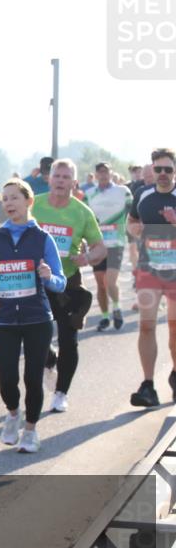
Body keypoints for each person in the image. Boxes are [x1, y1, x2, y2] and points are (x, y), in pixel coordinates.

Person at [0, 179, 66, 453]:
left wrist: (49, 277)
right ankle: (13, 414)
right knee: (7, 379)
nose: (8, 203)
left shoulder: (43, 239)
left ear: (29, 201)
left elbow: (60, 281)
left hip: (37, 318)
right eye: (5, 199)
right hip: (5, 319)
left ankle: (31, 431)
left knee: (33, 378)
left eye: (14, 198)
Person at [32, 159, 106, 412]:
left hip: (68, 282)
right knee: (35, 338)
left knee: (68, 338)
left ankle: (61, 392)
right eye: (57, 176)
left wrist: (87, 258)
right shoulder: (34, 204)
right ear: (49, 179)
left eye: (66, 177)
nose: (61, 181)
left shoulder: (82, 212)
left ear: (74, 182)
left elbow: (100, 248)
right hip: (36, 281)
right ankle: (48, 358)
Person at [127, 148, 176, 407]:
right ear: (153, 169)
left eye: (168, 169)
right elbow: (131, 221)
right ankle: (148, 386)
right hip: (150, 270)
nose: (163, 174)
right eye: (159, 169)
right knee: (146, 326)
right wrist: (136, 230)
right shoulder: (142, 194)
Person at [85, 161, 132, 332]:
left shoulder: (123, 191)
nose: (103, 175)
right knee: (100, 283)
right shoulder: (89, 194)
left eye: (106, 172)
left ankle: (117, 308)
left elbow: (132, 212)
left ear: (111, 173)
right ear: (96, 175)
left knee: (110, 280)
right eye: (100, 172)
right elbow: (85, 218)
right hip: (97, 244)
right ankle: (105, 316)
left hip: (116, 243)